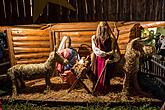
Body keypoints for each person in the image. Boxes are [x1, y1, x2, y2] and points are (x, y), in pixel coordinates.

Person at [91, 21, 120, 95]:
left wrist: (112, 57)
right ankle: (98, 88)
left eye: (105, 27)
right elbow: (95, 50)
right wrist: (105, 53)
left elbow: (114, 51)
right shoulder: (95, 38)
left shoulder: (111, 40)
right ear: (99, 28)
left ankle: (105, 89)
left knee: (106, 74)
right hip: (99, 59)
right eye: (102, 28)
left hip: (108, 60)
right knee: (98, 73)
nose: (103, 29)